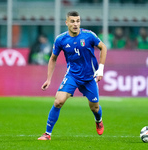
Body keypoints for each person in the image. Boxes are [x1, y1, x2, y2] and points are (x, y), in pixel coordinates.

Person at [38, 11, 107, 140]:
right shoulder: (61, 39)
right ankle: (47, 134)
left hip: (89, 78)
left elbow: (103, 47)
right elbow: (53, 58)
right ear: (67, 23)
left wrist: (101, 69)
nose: (76, 24)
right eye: (73, 21)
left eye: (78, 21)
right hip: (72, 76)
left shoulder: (89, 36)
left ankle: (98, 120)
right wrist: (48, 79)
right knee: (58, 101)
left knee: (95, 108)